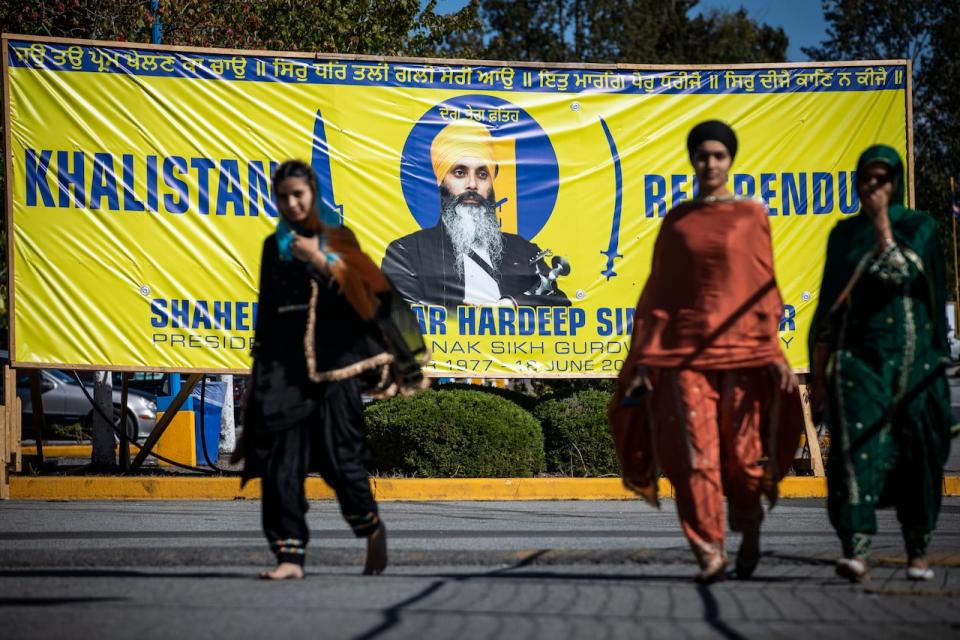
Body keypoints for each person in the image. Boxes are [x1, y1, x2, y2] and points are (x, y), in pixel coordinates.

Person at [609, 120, 803, 583]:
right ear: (693, 159)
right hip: (684, 358)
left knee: (740, 457)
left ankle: (749, 527)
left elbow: (764, 288)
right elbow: (660, 295)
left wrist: (774, 353)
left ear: (730, 160)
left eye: (719, 155)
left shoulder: (750, 216)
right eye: (703, 155)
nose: (710, 163)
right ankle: (709, 550)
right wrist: (644, 359)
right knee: (694, 455)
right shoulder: (678, 221)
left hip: (743, 355)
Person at [235, 160, 406, 580]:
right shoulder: (272, 247)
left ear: (313, 195)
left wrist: (319, 259)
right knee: (280, 466)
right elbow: (268, 314)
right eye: (283, 197)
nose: (292, 204)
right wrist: (259, 378)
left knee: (341, 465)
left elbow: (367, 295)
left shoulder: (337, 238)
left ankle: (371, 529)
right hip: (285, 373)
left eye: (299, 195)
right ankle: (289, 557)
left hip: (335, 373)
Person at [808, 144, 953, 583]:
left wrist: (884, 227)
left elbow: (918, 282)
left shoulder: (921, 229)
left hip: (916, 366)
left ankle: (918, 550)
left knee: (919, 455)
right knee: (857, 451)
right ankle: (855, 549)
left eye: (882, 180)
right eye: (866, 180)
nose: (873, 188)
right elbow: (830, 307)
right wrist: (819, 374)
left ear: (896, 183)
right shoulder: (845, 235)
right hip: (861, 364)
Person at [382, 118, 571, 308]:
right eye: (459, 172)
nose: (472, 184)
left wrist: (511, 304)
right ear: (442, 182)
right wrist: (458, 316)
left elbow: (560, 302)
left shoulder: (523, 250)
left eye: (482, 174)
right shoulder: (407, 252)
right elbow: (400, 313)